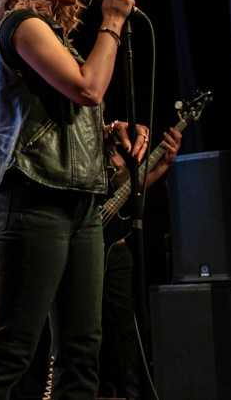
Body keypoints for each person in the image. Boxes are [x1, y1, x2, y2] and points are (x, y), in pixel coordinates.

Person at [0, 0, 148, 399]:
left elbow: (66, 114)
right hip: (34, 200)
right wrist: (111, 22)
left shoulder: (61, 40)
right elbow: (88, 88)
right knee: (9, 351)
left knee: (82, 350)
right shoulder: (23, 26)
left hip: (82, 204)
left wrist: (108, 135)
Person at [99, 127, 181, 400]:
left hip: (116, 248)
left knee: (130, 326)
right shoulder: (91, 137)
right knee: (82, 327)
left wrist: (164, 163)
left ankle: (136, 394)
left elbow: (131, 187)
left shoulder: (114, 152)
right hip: (83, 242)